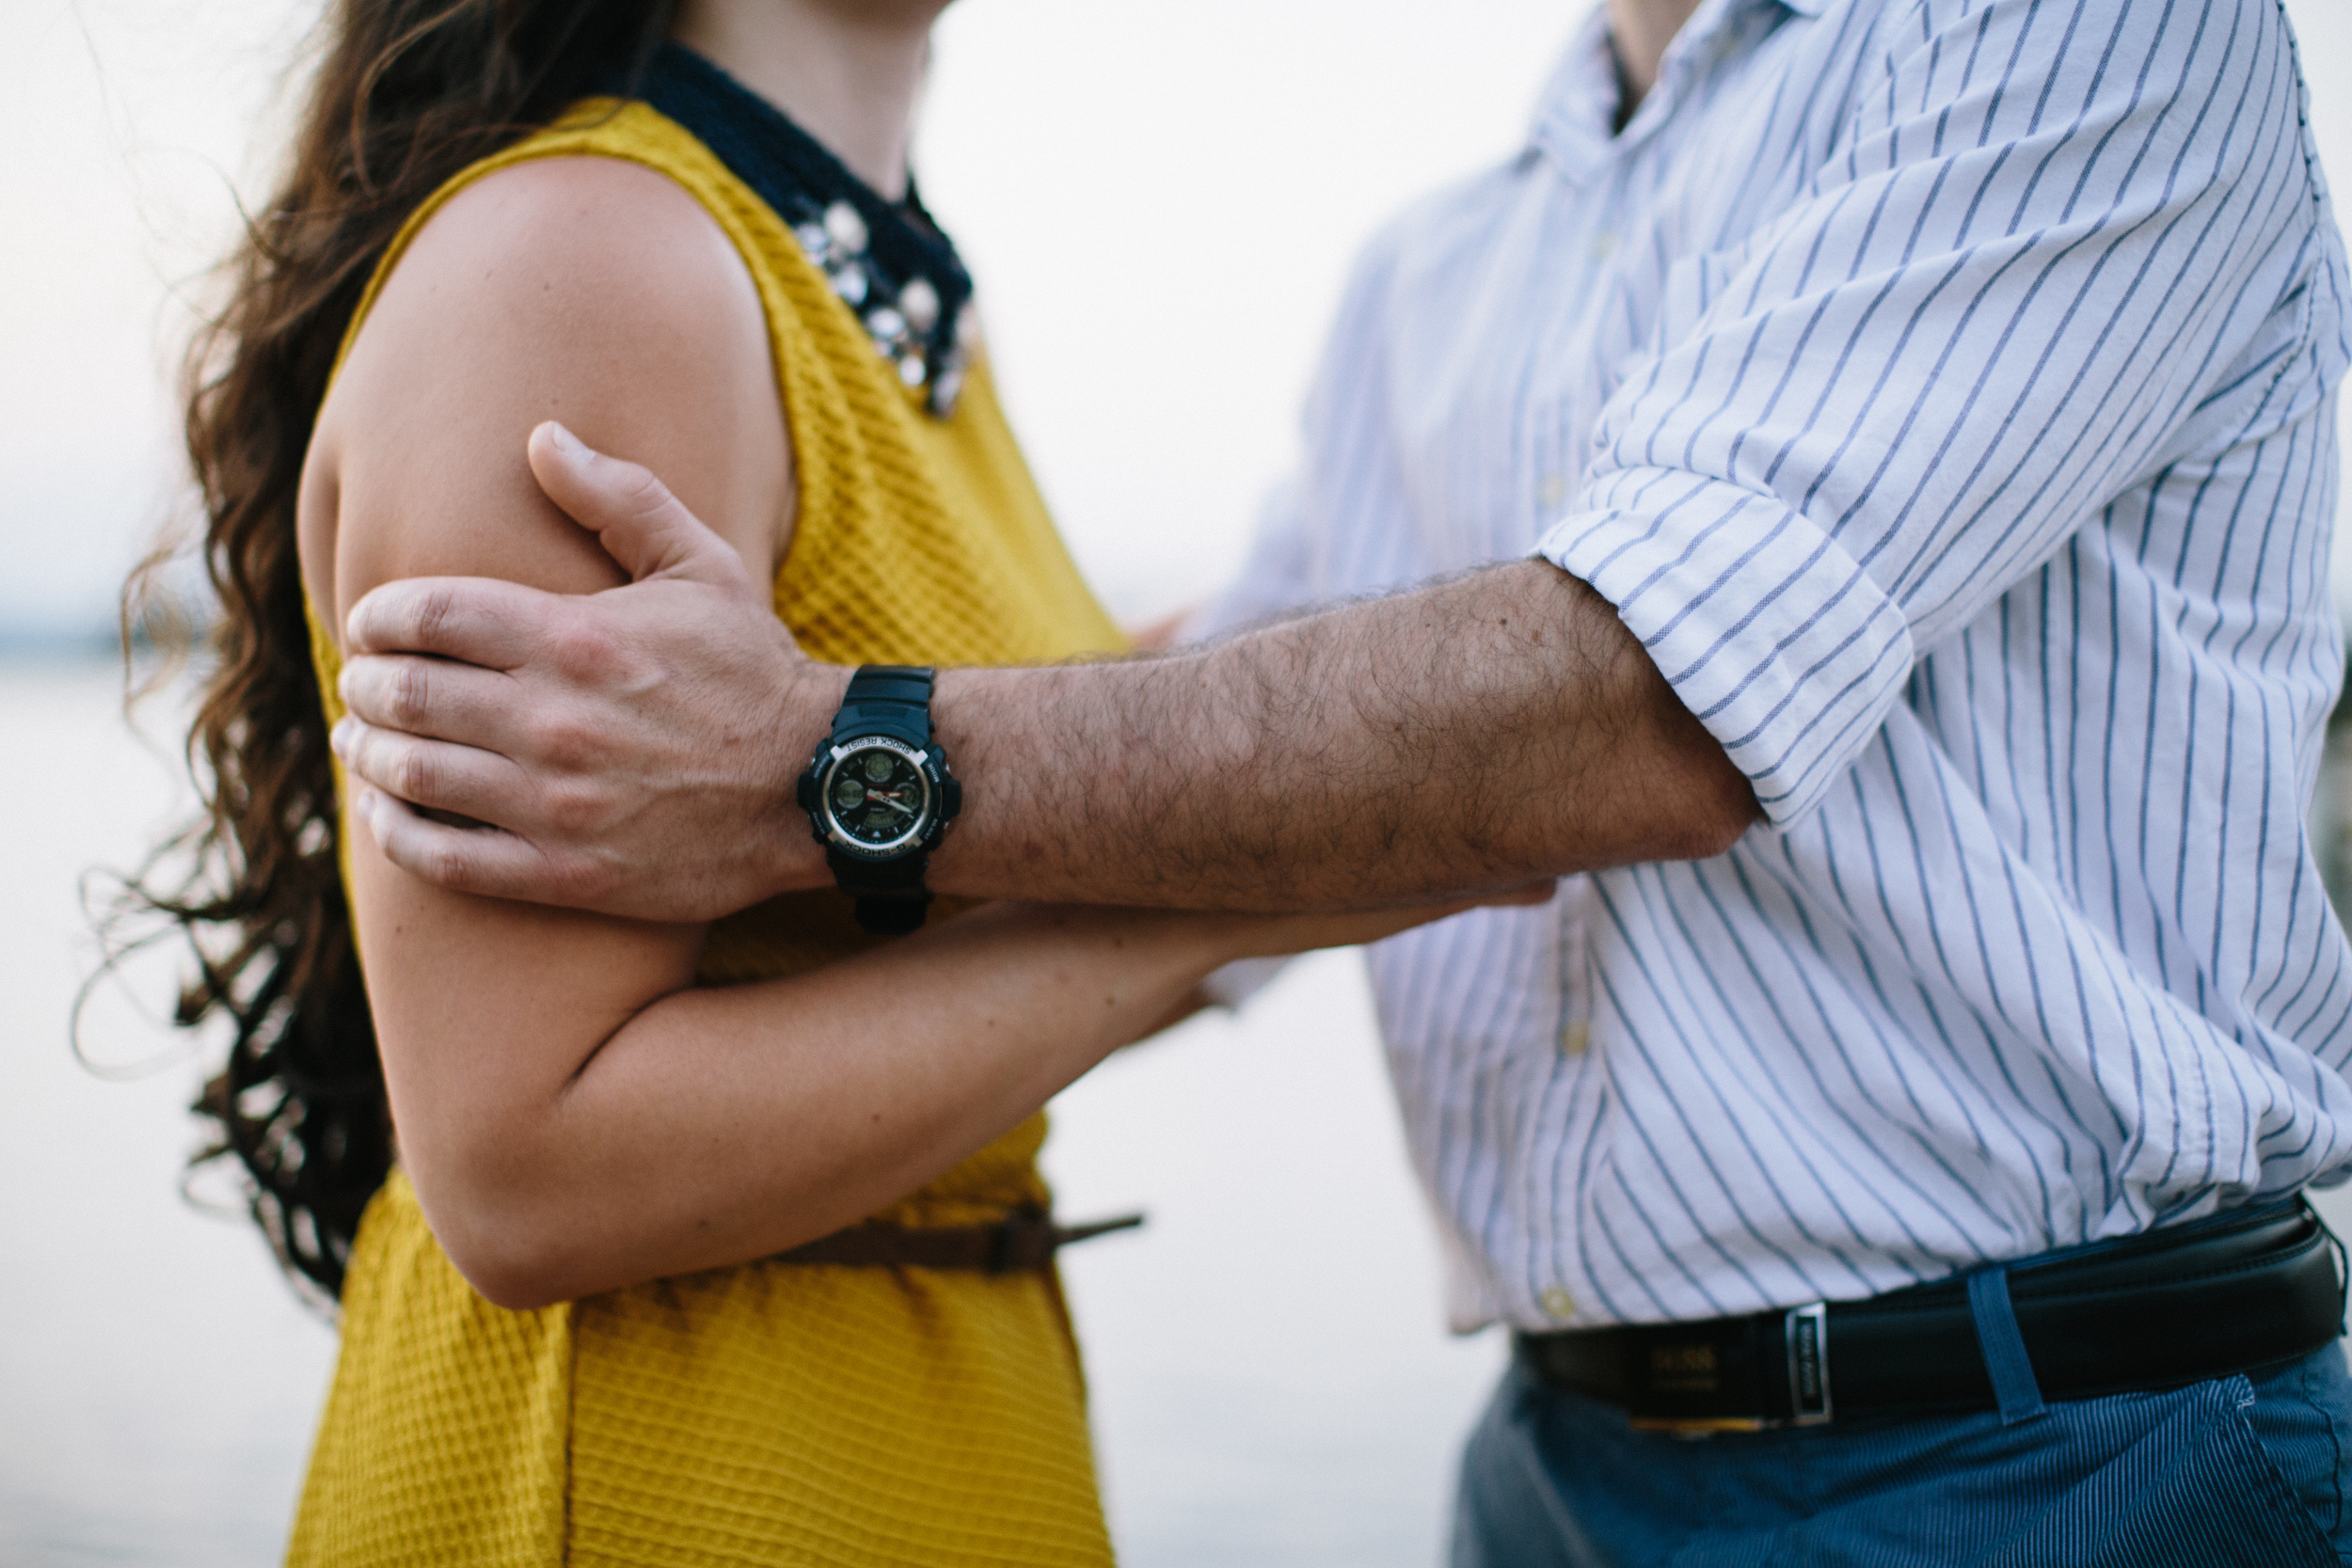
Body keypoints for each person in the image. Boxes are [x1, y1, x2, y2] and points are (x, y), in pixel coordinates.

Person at [326, 0, 2352, 1560]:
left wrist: (827, 760)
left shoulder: (2077, 40)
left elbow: (1622, 710)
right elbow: (1210, 768)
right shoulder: (1426, 278)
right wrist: (1252, 873)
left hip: (2061, 1445)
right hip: (1520, 1464)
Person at [135, 0, 1497, 1561]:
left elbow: (1029, 768)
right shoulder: (589, 260)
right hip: (676, 1460)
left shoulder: (886, 297)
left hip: (941, 1420)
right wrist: (1206, 902)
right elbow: (528, 1174)